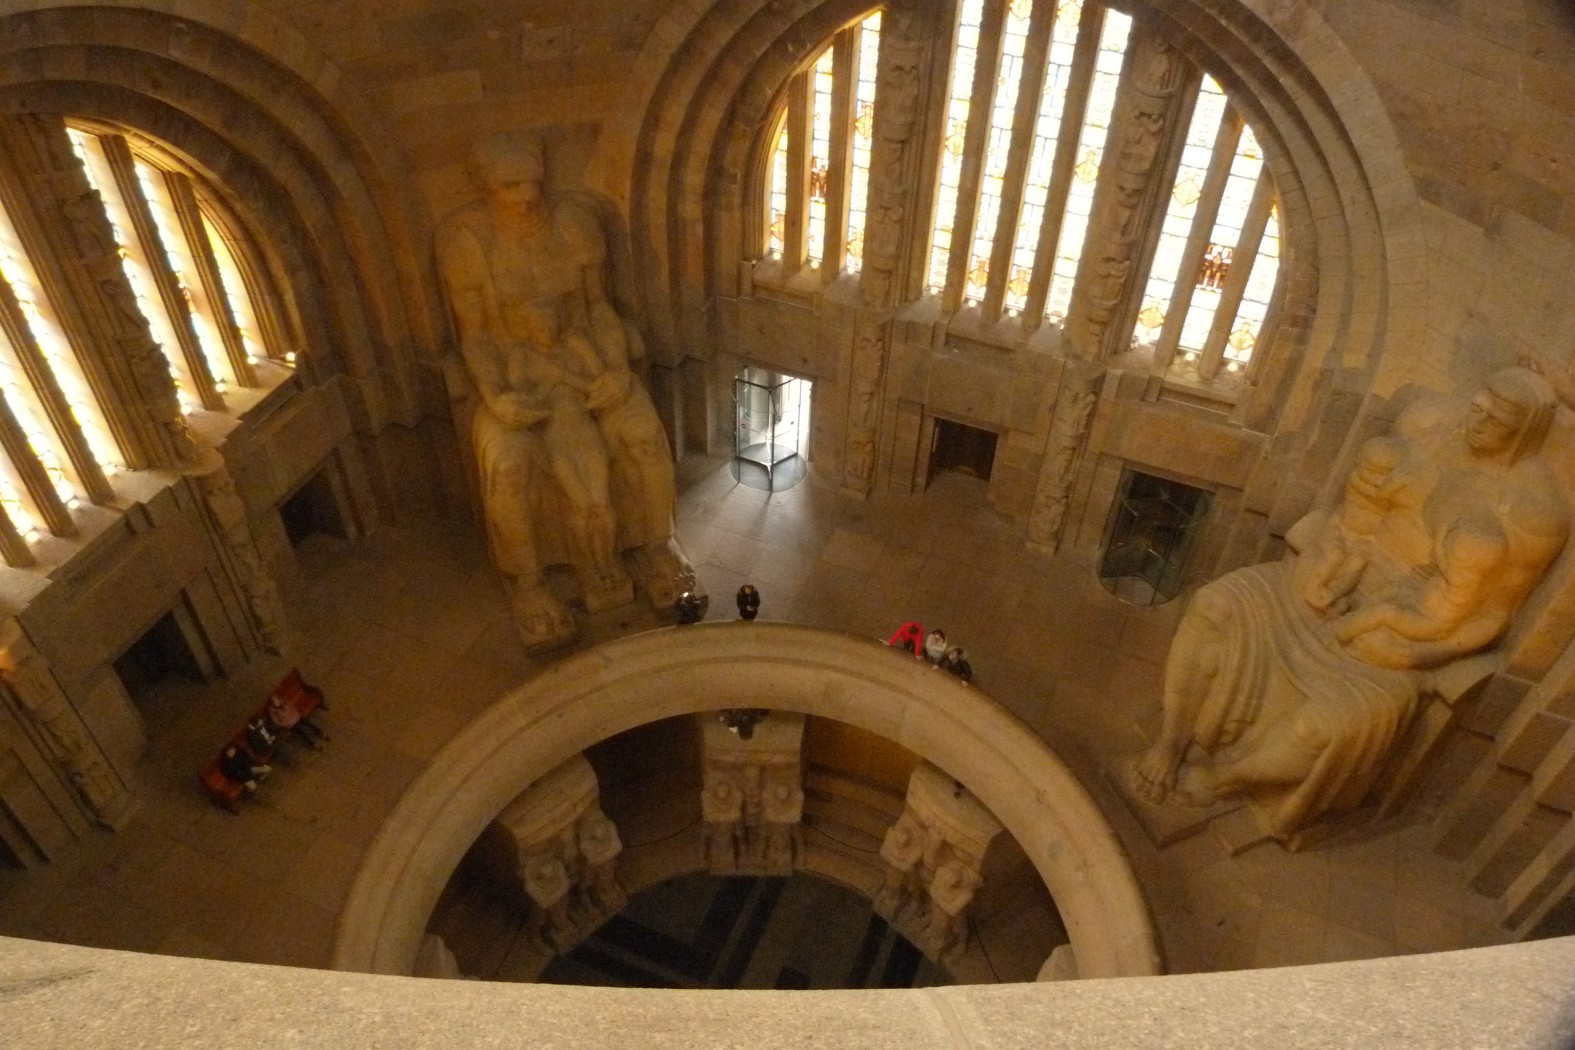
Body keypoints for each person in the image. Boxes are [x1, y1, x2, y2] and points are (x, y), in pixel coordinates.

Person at [1131, 367, 1570, 839]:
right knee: (1214, 604)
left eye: (1495, 420)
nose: (1476, 423)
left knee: (1329, 726)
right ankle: (1171, 740)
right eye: (1477, 407)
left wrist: (1416, 653)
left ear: (1524, 432)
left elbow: (1491, 617)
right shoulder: (1429, 430)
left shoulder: (1532, 511)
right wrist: (1324, 566)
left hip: (1395, 643)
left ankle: (1224, 778)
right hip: (1330, 581)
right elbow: (1349, 515)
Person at [436, 132, 694, 646]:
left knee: (644, 434)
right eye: (511, 186)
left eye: (532, 182)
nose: (527, 196)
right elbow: (476, 337)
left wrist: (617, 370)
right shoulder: (467, 244)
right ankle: (529, 583)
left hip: (587, 363)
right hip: (516, 379)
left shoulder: (574, 224)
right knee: (508, 464)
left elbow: (600, 308)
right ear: (487, 187)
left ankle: (658, 546)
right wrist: (496, 396)